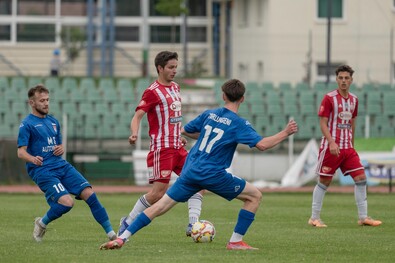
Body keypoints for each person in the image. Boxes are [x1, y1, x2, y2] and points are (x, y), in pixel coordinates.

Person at [100, 79, 298, 251]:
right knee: (255, 196)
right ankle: (236, 242)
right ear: (243, 99)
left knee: (160, 206)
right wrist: (286, 132)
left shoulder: (209, 114)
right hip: (211, 173)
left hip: (190, 169)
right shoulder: (238, 124)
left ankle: (122, 238)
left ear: (223, 96)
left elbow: (186, 130)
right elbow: (262, 145)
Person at [117, 51, 204, 237]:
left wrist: (178, 134)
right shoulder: (152, 91)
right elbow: (138, 115)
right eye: (171, 67)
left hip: (178, 147)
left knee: (198, 182)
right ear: (160, 68)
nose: (174, 71)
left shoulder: (176, 88)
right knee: (158, 193)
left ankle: (194, 225)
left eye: (176, 67)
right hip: (162, 149)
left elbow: (174, 118)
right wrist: (134, 133)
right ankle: (128, 221)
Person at [17, 84, 116, 242]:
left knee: (90, 194)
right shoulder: (27, 124)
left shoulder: (54, 122)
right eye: (42, 100)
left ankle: (112, 234)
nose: (46, 103)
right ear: (32, 103)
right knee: (67, 203)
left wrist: (61, 148)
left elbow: (58, 145)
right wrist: (32, 159)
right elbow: (20, 152)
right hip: (43, 170)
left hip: (61, 165)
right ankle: (41, 223)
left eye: (48, 100)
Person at [308, 65, 382, 228]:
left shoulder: (354, 100)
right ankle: (314, 217)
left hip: (347, 149)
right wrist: (332, 142)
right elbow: (323, 123)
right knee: (324, 182)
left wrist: (352, 145)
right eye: (340, 78)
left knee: (361, 178)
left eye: (346, 78)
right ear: (337, 79)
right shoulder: (329, 98)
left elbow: (352, 123)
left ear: (351, 80)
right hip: (331, 147)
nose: (343, 81)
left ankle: (363, 217)